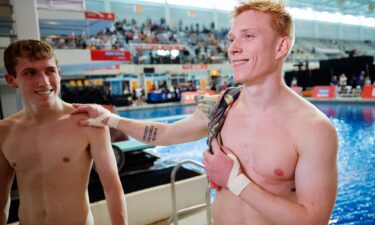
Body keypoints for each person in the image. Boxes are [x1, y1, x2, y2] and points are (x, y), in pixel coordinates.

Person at [72, 1, 338, 224]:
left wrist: (236, 182)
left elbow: (313, 219)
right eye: (232, 38)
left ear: (281, 47)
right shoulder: (221, 106)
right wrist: (111, 119)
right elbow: (166, 134)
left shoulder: (313, 128)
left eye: (248, 36)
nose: (233, 48)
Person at [0, 40, 127, 225]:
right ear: (11, 80)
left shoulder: (88, 123)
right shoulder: (4, 131)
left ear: (59, 74)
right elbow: (2, 197)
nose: (43, 81)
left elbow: (112, 188)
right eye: (30, 72)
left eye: (50, 71)